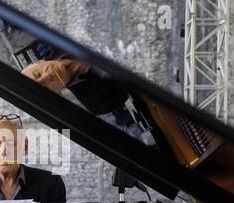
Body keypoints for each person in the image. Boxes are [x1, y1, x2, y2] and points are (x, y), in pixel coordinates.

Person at [20, 40, 154, 145]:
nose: (47, 76)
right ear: (58, 94)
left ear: (39, 62)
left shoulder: (59, 37)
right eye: (45, 87)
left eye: (38, 73)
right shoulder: (97, 103)